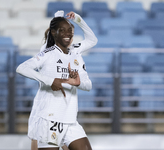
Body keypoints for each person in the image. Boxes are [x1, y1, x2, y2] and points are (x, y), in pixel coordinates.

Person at [16, 10, 97, 150]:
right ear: (54, 33)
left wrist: (78, 19)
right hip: (49, 117)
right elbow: (22, 68)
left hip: (70, 119)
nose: (68, 34)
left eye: (70, 30)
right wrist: (50, 81)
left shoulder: (75, 52)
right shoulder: (48, 52)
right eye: (62, 30)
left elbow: (92, 41)